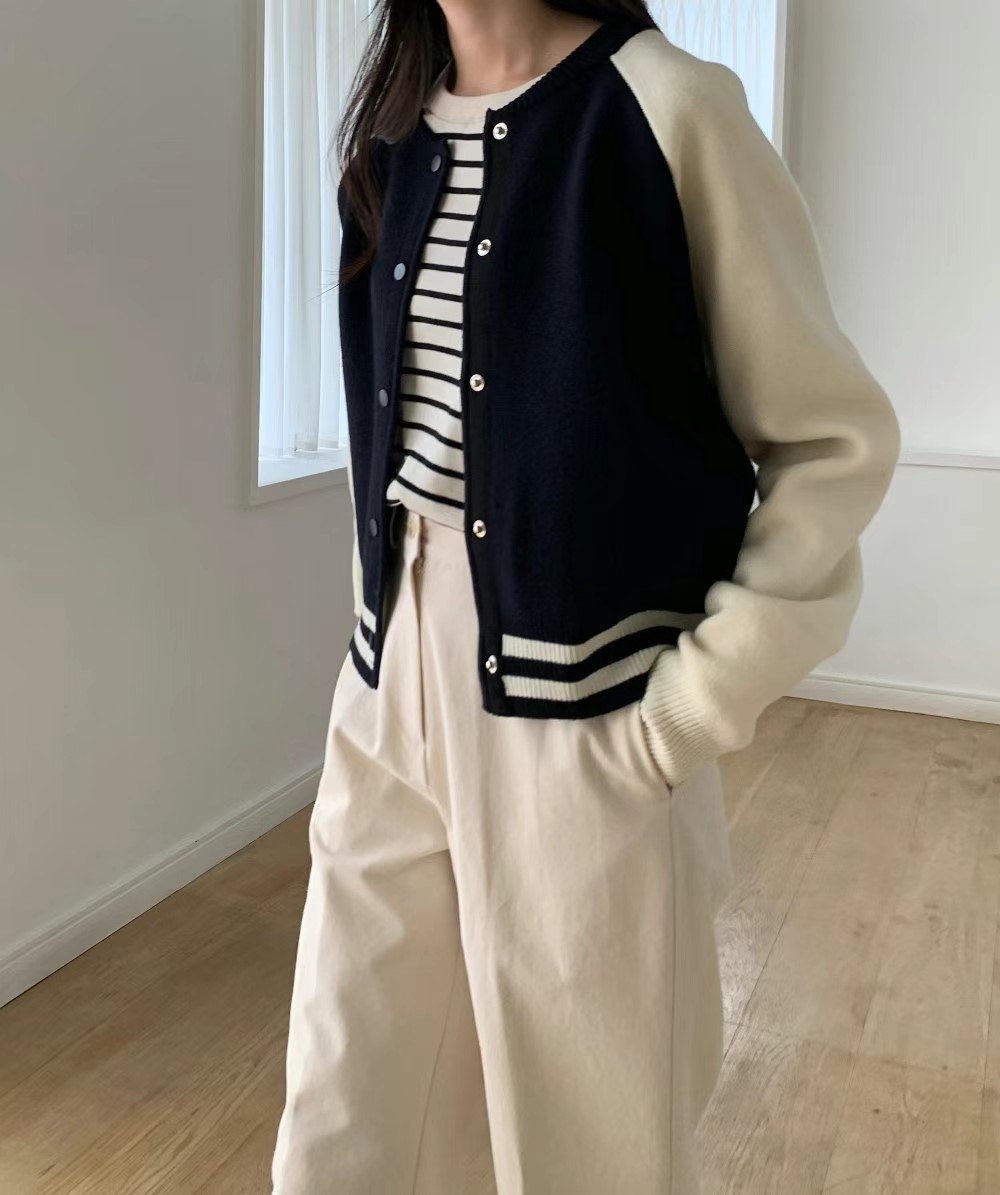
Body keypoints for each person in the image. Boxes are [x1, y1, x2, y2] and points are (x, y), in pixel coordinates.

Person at [270, 1, 901, 1191]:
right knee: (344, 1111)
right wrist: (371, 649)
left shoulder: (671, 110)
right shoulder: (390, 139)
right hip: (387, 687)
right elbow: (392, 442)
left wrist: (685, 713)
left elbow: (831, 444)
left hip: (589, 708)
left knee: (585, 1138)